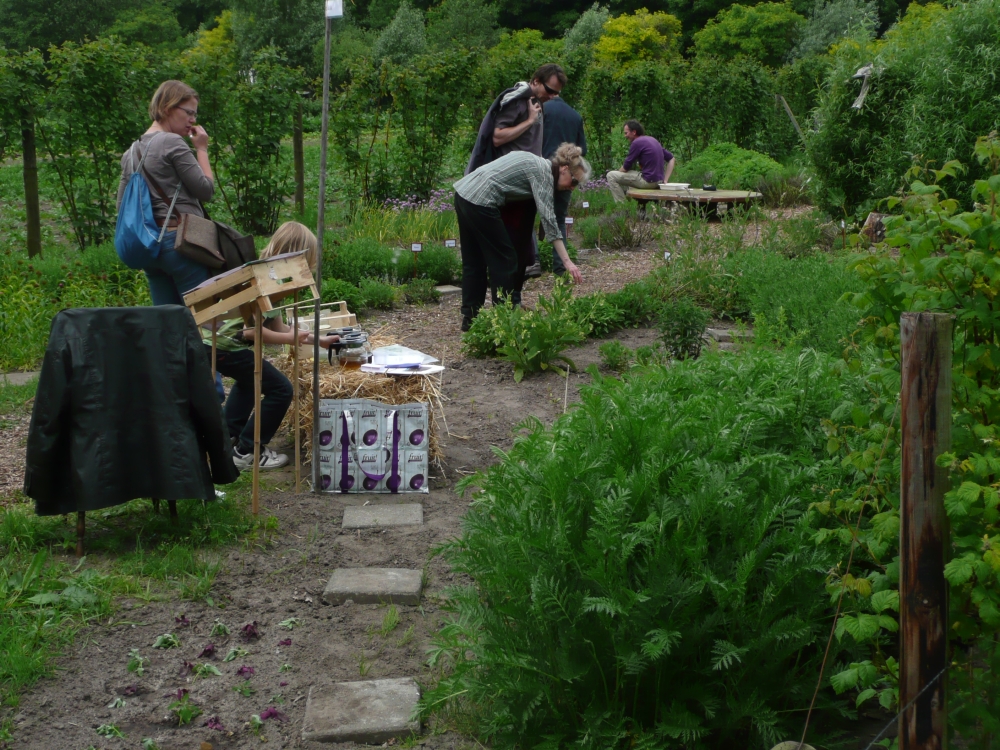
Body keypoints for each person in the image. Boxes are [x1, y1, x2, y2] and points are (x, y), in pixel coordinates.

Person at [206, 222, 339, 471]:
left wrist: (319, 341)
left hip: (220, 345)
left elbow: (279, 328)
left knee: (251, 381)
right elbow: (250, 331)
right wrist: (290, 340)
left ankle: (228, 439)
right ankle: (247, 451)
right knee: (280, 389)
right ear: (299, 257)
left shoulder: (271, 278)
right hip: (225, 346)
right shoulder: (265, 283)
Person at [454, 144, 590, 332]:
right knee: (506, 260)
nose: (572, 188)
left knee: (474, 261)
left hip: (463, 193)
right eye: (574, 181)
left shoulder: (537, 162)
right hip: (481, 201)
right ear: (565, 169)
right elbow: (549, 219)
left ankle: (470, 319)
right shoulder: (543, 173)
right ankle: (504, 318)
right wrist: (567, 262)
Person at [116, 80, 216, 305]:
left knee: (166, 322)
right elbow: (206, 190)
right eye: (189, 112)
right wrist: (201, 149)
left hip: (149, 249)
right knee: (204, 321)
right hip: (180, 244)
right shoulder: (172, 142)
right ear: (168, 107)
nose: (193, 120)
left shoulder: (130, 152)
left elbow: (121, 206)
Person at [467, 63, 568, 281]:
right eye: (549, 90)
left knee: (522, 245)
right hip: (510, 182)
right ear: (535, 82)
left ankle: (514, 298)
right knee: (511, 244)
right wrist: (530, 120)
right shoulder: (519, 101)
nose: (552, 96)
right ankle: (506, 299)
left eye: (556, 93)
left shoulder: (536, 102)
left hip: (526, 182)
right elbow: (498, 136)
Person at [541, 95, 587, 275]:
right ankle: (560, 270)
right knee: (558, 218)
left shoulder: (541, 110)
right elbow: (582, 149)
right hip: (567, 173)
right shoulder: (574, 115)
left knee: (529, 215)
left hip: (543, 168)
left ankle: (533, 260)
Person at [606, 120, 676, 202]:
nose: (625, 136)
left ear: (634, 132)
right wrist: (665, 180)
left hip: (648, 182)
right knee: (631, 178)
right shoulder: (652, 140)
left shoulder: (637, 143)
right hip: (659, 181)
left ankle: (622, 207)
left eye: (626, 133)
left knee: (611, 175)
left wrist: (618, 174)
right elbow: (672, 159)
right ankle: (634, 205)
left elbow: (625, 167)